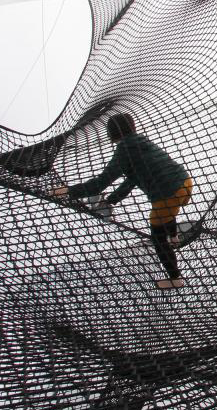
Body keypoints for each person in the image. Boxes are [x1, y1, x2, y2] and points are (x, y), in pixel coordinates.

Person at [52, 113, 192, 290]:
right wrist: (112, 200)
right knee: (167, 213)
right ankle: (174, 237)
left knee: (157, 236)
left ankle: (175, 278)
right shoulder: (141, 142)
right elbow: (132, 179)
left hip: (167, 192)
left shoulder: (123, 151)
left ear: (113, 133)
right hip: (184, 182)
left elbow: (100, 183)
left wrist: (68, 191)